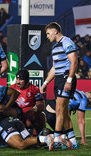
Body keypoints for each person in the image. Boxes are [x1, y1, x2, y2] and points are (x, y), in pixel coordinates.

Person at [40, 22, 79, 150]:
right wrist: (46, 83)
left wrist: (69, 80)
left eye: (48, 33)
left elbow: (74, 61)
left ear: (55, 31)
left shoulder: (66, 42)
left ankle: (56, 139)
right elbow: (54, 67)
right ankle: (73, 141)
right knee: (64, 112)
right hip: (59, 79)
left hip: (65, 78)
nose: (47, 36)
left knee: (59, 110)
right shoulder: (55, 46)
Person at [10, 69, 45, 135]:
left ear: (26, 80)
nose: (18, 82)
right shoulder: (11, 88)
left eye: (21, 80)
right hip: (16, 115)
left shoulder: (34, 89)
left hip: (29, 116)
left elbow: (40, 105)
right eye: (17, 79)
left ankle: (38, 134)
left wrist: (32, 111)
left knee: (41, 116)